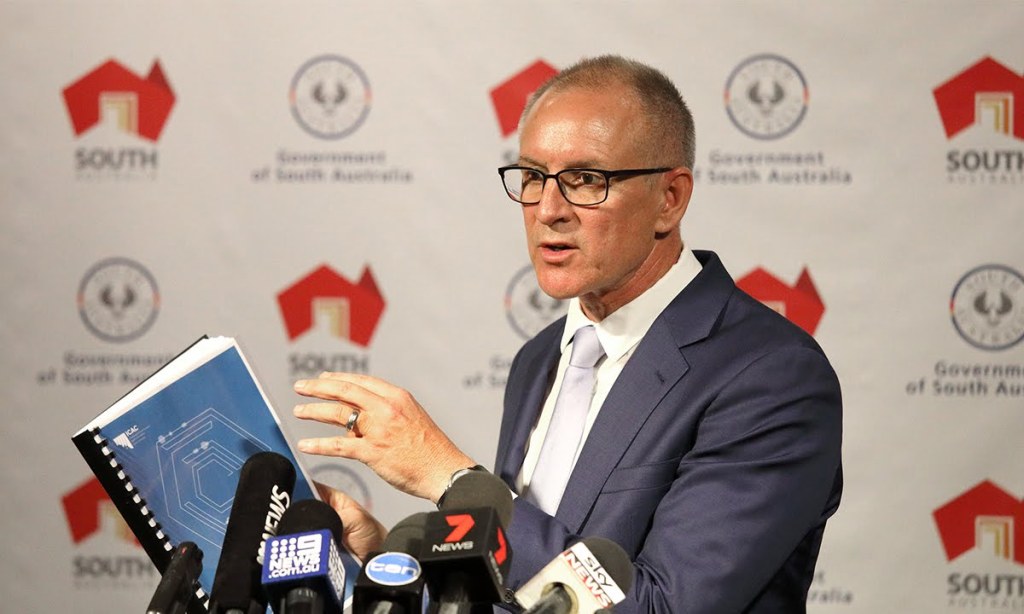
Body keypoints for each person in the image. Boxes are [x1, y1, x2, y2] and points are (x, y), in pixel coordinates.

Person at [292, 54, 842, 613]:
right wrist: (378, 558)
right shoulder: (541, 357)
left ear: (669, 199)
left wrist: (451, 478)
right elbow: (527, 591)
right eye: (533, 177)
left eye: (585, 179)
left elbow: (662, 607)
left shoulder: (772, 376)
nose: (548, 209)